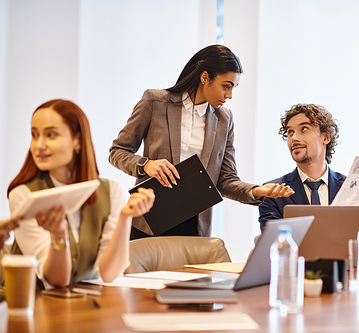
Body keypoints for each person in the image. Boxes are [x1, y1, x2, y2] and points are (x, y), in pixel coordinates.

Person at [109, 44, 293, 239]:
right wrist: (146, 165)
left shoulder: (225, 120)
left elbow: (225, 180)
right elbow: (118, 151)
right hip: (147, 220)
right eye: (226, 86)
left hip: (194, 226)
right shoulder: (155, 102)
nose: (229, 95)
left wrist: (257, 191)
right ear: (205, 77)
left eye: (233, 88)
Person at [7, 99, 155, 289]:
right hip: (32, 305)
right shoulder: (23, 195)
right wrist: (58, 236)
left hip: (86, 304)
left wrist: (125, 218)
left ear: (77, 140)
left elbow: (109, 274)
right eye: (35, 135)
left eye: (50, 135)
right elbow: (57, 281)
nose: (39, 145)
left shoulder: (111, 191)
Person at [258, 104, 359, 250]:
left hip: (345, 272)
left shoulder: (351, 187)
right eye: (290, 132)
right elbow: (272, 245)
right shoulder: (272, 192)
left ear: (326, 137)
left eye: (304, 129)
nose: (294, 138)